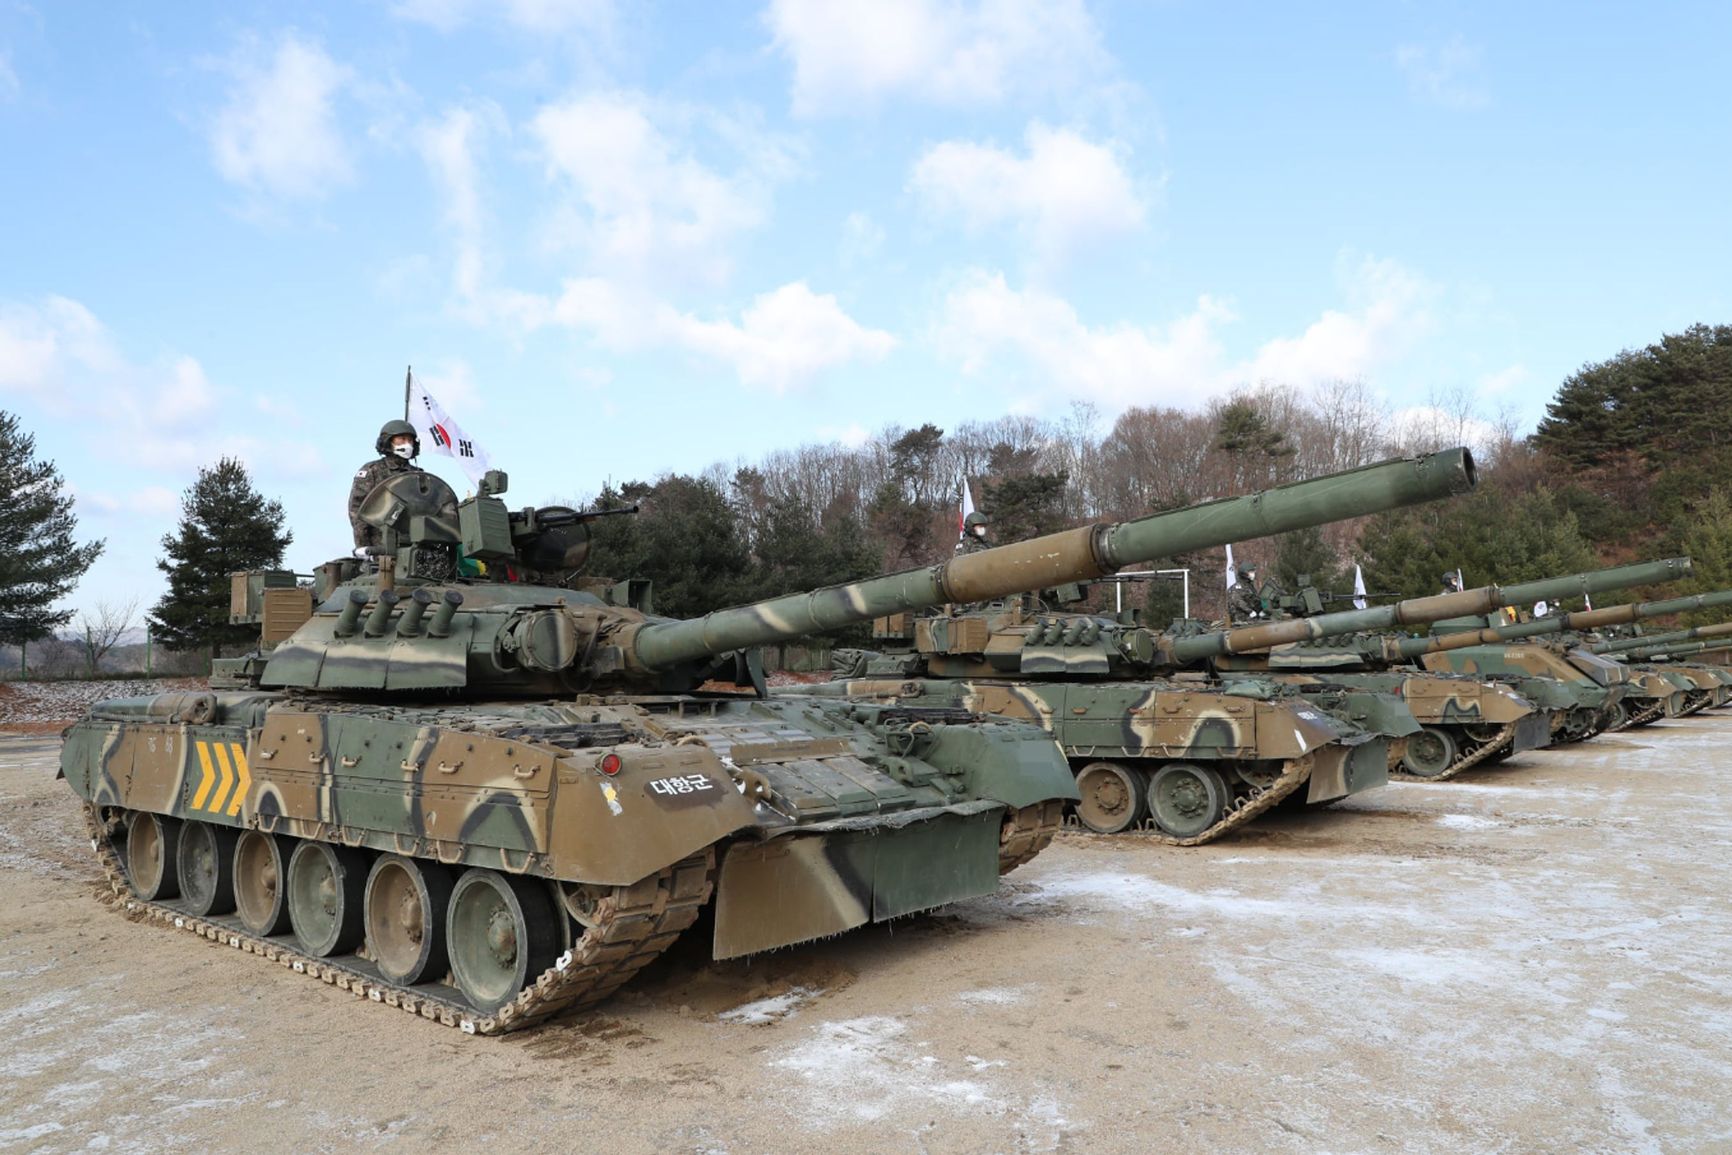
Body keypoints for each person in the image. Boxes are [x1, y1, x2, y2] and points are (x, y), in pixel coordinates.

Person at [349, 419, 423, 552]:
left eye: (410, 440)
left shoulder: (419, 475)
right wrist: (363, 547)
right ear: (388, 441)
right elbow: (358, 511)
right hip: (380, 550)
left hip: (413, 550)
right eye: (402, 439)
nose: (407, 444)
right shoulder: (372, 470)